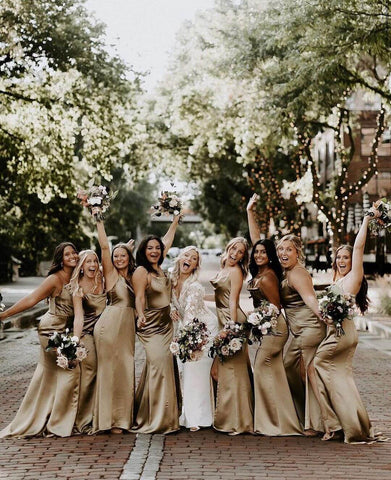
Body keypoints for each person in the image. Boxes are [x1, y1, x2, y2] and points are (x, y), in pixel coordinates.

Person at [311, 208, 382, 443]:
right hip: (339, 332)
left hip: (342, 334)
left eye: (346, 257)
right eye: (339, 257)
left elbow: (359, 247)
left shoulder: (354, 277)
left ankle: (334, 425)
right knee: (341, 378)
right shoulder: (338, 281)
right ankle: (352, 425)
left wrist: (366, 220)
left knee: (316, 366)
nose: (342, 260)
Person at [0, 242, 80, 438]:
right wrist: (4, 315)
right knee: (70, 371)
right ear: (61, 259)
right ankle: (56, 422)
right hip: (51, 332)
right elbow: (31, 299)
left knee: (51, 376)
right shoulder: (55, 279)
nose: (72, 256)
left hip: (66, 331)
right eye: (67, 254)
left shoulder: (78, 277)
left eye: (74, 252)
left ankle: (46, 418)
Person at [246, 196, 302, 436]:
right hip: (267, 326)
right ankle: (281, 419)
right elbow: (255, 238)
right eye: (256, 252)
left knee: (260, 368)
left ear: (269, 256)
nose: (258, 254)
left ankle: (271, 422)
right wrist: (250, 212)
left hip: (275, 327)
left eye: (263, 252)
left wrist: (259, 322)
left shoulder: (268, 277)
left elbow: (275, 307)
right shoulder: (260, 271)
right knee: (273, 371)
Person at [132, 215, 181, 434]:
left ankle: (158, 413)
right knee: (158, 363)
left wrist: (176, 220)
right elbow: (139, 297)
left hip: (166, 324)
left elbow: (166, 242)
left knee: (163, 365)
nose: (154, 251)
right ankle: (155, 418)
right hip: (150, 325)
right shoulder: (141, 271)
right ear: (143, 251)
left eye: (157, 249)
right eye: (150, 248)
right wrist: (140, 314)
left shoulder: (160, 269)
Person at [277, 234, 326, 435]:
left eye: (289, 249)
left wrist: (326, 317)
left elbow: (310, 299)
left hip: (310, 328)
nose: (283, 253)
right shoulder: (286, 272)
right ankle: (303, 416)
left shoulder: (297, 274)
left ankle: (319, 423)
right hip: (299, 332)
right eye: (281, 249)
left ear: (298, 252)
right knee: (290, 369)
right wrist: (250, 212)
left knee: (307, 375)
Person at [92, 209, 136, 434]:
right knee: (109, 369)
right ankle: (106, 420)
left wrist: (175, 220)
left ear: (129, 258)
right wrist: (98, 218)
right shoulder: (111, 274)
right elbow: (104, 247)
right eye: (116, 256)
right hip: (109, 324)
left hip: (127, 325)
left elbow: (162, 247)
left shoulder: (135, 276)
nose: (118, 258)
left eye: (123, 255)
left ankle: (121, 419)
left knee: (126, 368)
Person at [170, 246, 219, 432]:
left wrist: (185, 340)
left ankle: (200, 418)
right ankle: (188, 416)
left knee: (195, 372)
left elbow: (190, 315)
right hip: (188, 329)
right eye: (186, 255)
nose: (189, 259)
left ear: (196, 265)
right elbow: (166, 299)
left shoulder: (195, 286)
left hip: (204, 330)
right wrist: (170, 309)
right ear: (179, 258)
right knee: (186, 371)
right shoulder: (171, 280)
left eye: (194, 258)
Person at [210, 237, 253, 435]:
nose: (236, 253)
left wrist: (232, 330)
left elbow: (233, 302)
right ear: (228, 247)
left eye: (241, 252)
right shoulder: (224, 268)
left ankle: (240, 422)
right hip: (223, 320)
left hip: (232, 321)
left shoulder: (236, 272)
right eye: (234, 248)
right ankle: (227, 417)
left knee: (234, 372)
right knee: (223, 372)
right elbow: (219, 297)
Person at [70, 249, 106, 434]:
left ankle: (101, 416)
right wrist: (76, 341)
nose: (93, 265)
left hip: (105, 333)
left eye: (95, 261)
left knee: (106, 372)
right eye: (88, 262)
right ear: (81, 266)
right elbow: (78, 317)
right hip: (86, 334)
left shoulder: (104, 280)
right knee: (91, 371)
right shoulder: (78, 287)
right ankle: (82, 420)